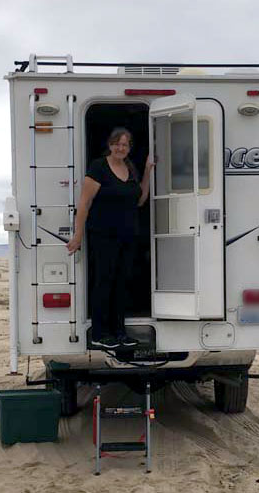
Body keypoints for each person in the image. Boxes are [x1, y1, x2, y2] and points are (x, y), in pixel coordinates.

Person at [67, 127, 153, 349]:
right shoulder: (99, 167)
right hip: (104, 235)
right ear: (110, 144)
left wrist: (147, 171)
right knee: (104, 283)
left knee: (122, 284)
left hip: (128, 235)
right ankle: (99, 333)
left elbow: (140, 199)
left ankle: (119, 333)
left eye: (125, 145)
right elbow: (84, 203)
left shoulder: (129, 167)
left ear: (129, 148)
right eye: (117, 143)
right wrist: (77, 235)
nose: (120, 148)